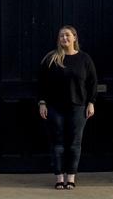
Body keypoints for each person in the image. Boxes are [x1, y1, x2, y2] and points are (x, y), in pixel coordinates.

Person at [37, 25, 97, 190]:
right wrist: (42, 103)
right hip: (55, 108)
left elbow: (92, 83)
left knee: (74, 143)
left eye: (67, 35)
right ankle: (59, 178)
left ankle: (71, 177)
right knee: (58, 143)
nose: (64, 38)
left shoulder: (85, 59)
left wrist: (91, 103)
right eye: (61, 36)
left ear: (74, 37)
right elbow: (42, 83)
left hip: (78, 107)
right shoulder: (52, 58)